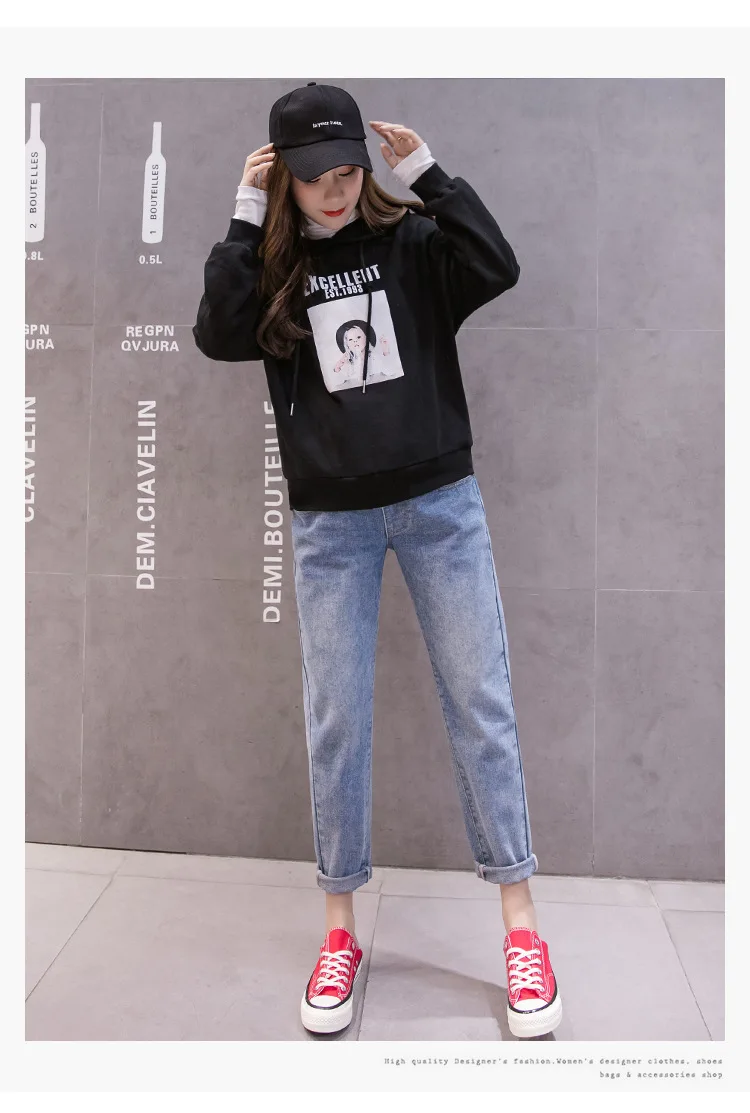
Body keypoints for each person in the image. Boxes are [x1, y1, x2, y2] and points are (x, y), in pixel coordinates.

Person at [193, 82, 562, 1040]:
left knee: (481, 704)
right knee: (338, 721)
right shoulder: (272, 269)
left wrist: (429, 174)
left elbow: (498, 263)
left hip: (441, 507)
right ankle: (340, 932)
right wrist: (243, 216)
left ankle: (523, 930)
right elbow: (217, 333)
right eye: (316, 174)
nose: (337, 187)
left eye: (349, 168)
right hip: (332, 525)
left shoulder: (415, 246)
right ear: (285, 176)